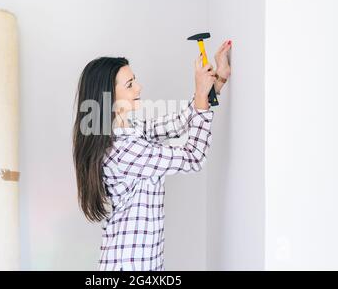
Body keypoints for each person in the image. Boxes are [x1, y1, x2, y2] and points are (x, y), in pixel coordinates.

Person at [72, 40, 232, 271]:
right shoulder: (123, 150)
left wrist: (217, 84)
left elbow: (178, 123)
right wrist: (199, 91)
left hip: (142, 263)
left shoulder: (131, 130)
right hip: (129, 266)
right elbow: (193, 157)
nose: (139, 88)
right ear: (108, 96)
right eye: (129, 84)